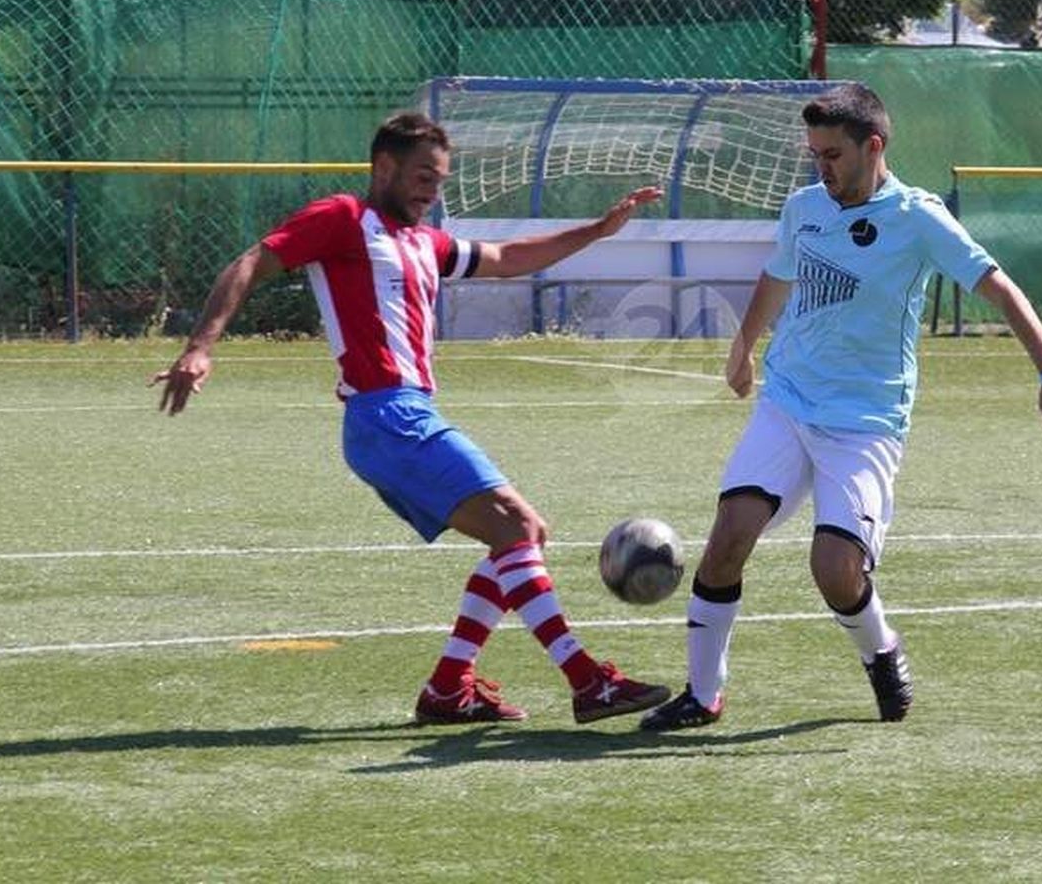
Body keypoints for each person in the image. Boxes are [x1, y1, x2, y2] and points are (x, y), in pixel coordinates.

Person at [153, 110, 670, 725]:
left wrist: (598, 230)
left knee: (518, 536)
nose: (432, 190)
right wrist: (200, 346)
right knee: (519, 525)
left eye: (440, 180)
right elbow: (249, 263)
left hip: (402, 415)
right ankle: (587, 681)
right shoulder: (344, 217)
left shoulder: (425, 242)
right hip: (386, 413)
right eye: (424, 176)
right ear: (384, 167)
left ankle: (449, 689)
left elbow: (506, 256)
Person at [640, 83, 1042, 730]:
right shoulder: (804, 208)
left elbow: (999, 287)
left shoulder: (918, 218)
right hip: (788, 402)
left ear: (873, 146)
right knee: (729, 535)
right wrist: (743, 348)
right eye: (815, 155)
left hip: (864, 423)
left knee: (835, 569)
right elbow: (778, 274)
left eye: (833, 155)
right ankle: (703, 695)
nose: (822, 168)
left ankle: (881, 651)